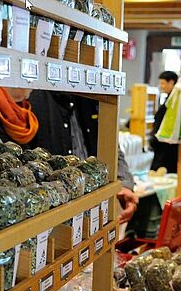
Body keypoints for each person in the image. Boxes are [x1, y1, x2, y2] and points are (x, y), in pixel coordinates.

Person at [28, 90, 138, 224]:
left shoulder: (95, 97)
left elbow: (112, 146)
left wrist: (124, 183)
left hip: (94, 207)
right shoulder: (33, 96)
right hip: (52, 214)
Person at [148, 71, 179, 173]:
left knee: (162, 172)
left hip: (166, 144)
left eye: (163, 83)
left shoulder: (175, 100)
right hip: (162, 142)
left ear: (171, 82)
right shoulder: (170, 99)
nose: (161, 86)